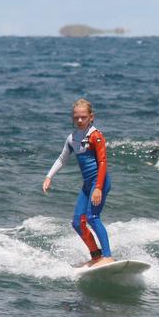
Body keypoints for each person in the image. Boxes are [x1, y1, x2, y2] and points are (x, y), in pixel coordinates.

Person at [42, 98, 114, 267]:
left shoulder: (96, 136)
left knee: (92, 216)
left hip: (100, 182)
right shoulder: (72, 138)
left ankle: (108, 256)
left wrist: (98, 188)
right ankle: (95, 255)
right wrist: (49, 176)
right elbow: (62, 159)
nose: (80, 120)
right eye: (76, 117)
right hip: (87, 184)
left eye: (83, 117)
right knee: (77, 222)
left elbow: (103, 162)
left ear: (91, 117)